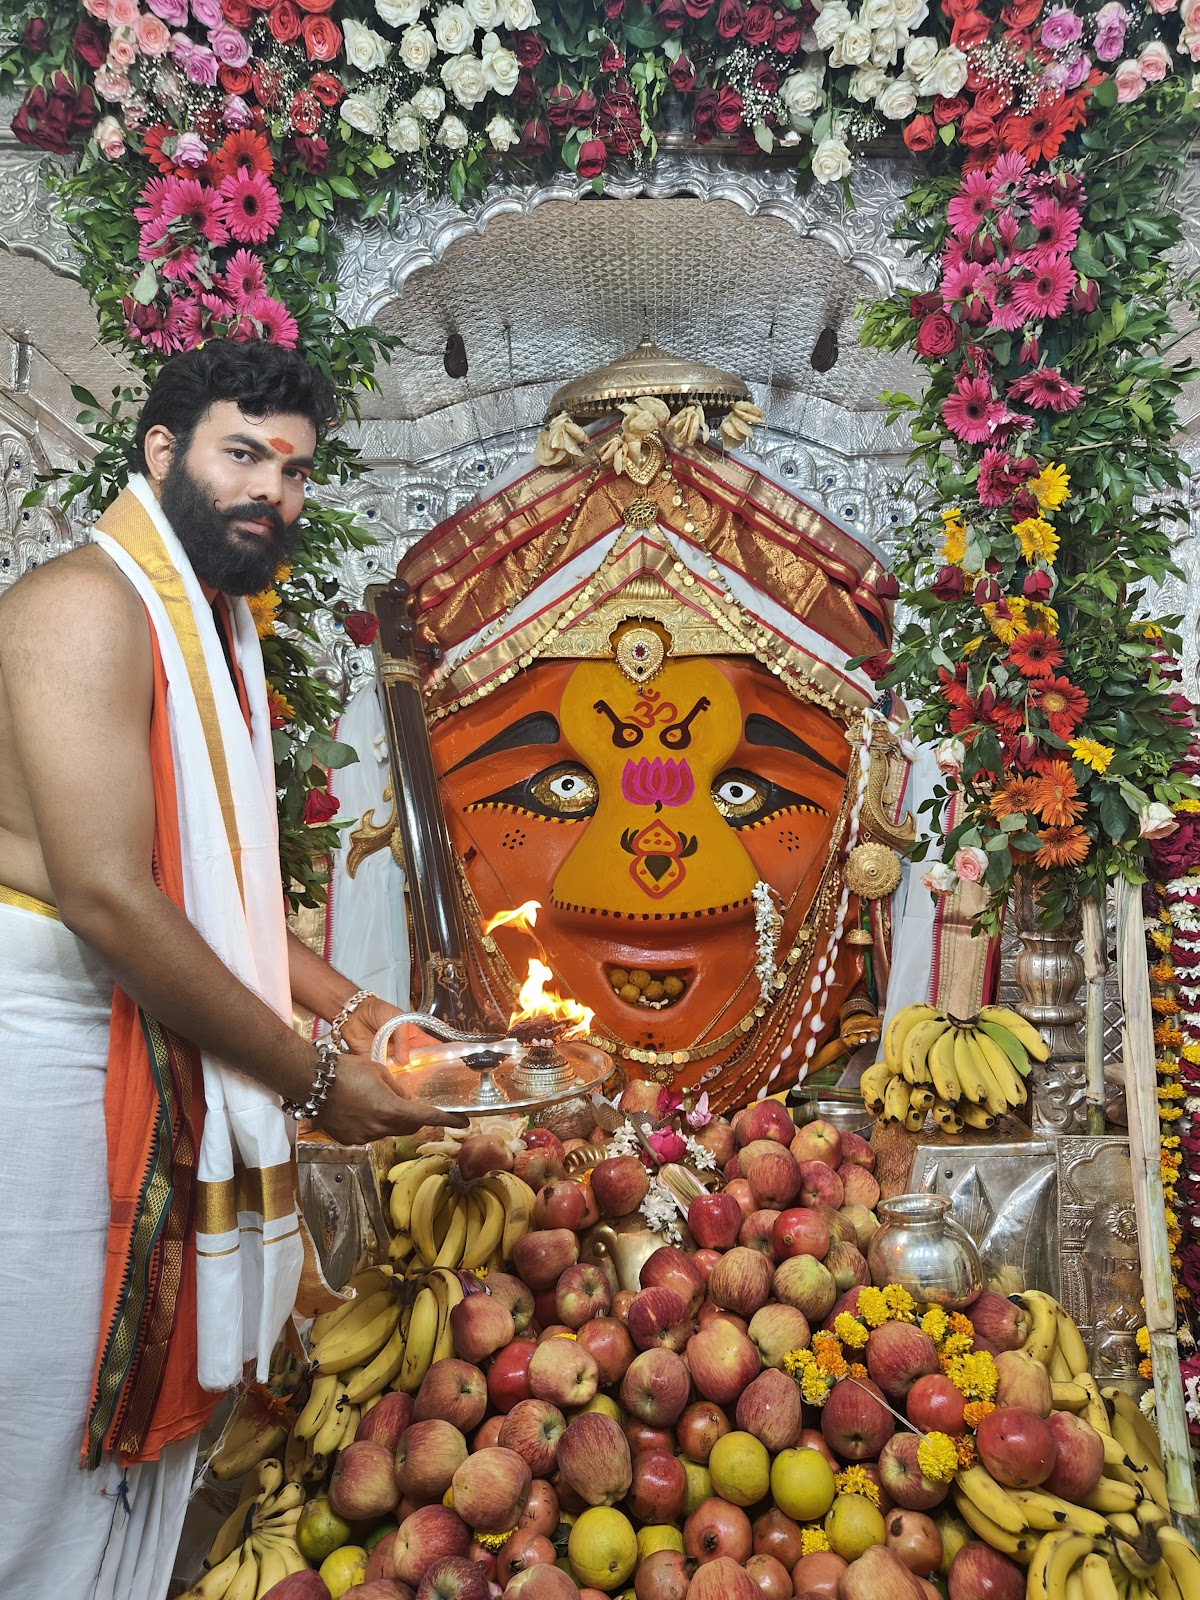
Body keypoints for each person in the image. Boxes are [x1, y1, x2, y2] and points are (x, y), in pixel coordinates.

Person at [0, 340, 465, 1600]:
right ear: (162, 455)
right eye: (242, 453)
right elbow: (108, 894)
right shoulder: (82, 608)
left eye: (295, 469)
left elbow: (225, 900)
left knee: (136, 1426)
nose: (272, 490)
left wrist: (359, 1009)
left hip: (142, 1034)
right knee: (43, 1423)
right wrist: (316, 1079)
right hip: (46, 1060)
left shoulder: (216, 638)